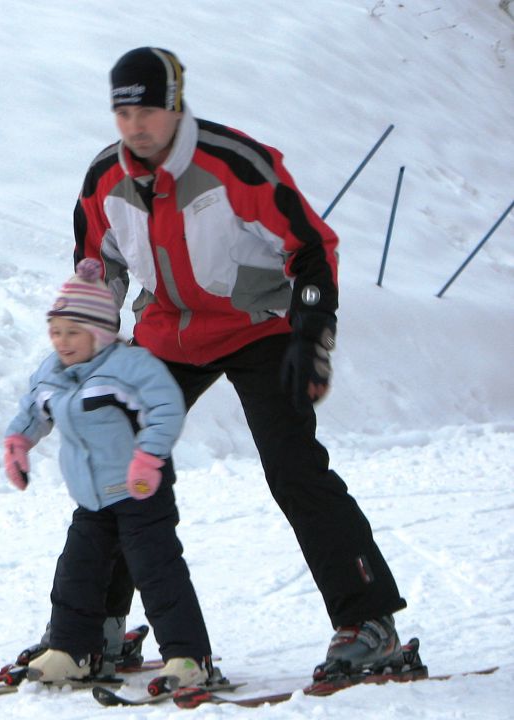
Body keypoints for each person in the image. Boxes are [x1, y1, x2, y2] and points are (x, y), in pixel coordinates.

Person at [62, 46, 410, 677]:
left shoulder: (236, 165)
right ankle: (96, 631)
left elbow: (311, 248)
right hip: (169, 332)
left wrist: (312, 338)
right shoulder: (103, 183)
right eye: (122, 112)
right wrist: (93, 341)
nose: (135, 125)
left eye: (147, 109)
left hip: (260, 326)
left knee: (292, 466)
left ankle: (370, 621)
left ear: (174, 105)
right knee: (117, 463)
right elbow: (97, 268)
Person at [3, 258, 212, 686]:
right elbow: (32, 410)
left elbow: (166, 408)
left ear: (99, 332)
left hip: (140, 489)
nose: (62, 341)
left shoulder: (128, 368)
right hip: (92, 498)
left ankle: (189, 659)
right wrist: (18, 444)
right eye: (56, 331)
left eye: (73, 332)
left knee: (157, 572)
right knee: (76, 573)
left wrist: (149, 456)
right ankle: (73, 651)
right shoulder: (52, 372)